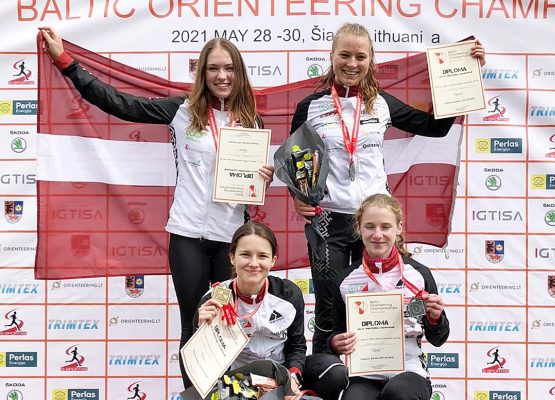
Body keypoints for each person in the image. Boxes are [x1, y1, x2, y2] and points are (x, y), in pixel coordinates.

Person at [39, 27, 275, 389]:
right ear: (202, 73)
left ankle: (230, 395)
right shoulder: (182, 111)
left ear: (239, 73)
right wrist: (67, 63)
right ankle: (194, 396)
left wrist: (261, 180)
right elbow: (119, 103)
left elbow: (250, 185)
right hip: (187, 236)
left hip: (232, 241)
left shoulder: (252, 121)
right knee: (194, 323)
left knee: (231, 323)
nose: (222, 76)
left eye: (229, 68)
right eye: (213, 68)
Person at [289, 22, 484, 353]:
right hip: (328, 221)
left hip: (374, 220)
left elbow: (435, 128)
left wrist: (463, 76)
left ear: (371, 60)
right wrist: (297, 197)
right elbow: (296, 161)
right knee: (329, 305)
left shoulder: (381, 103)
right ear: (332, 55)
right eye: (345, 55)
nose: (352, 64)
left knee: (382, 298)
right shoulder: (310, 106)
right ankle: (326, 370)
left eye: (360, 56)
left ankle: (376, 368)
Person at [323, 193, 449, 399]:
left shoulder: (418, 274)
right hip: (365, 374)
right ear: (359, 229)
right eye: (370, 226)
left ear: (399, 228)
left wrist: (435, 318)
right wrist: (335, 343)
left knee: (398, 393)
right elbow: (334, 333)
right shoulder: (345, 280)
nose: (377, 234)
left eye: (385, 227)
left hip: (410, 371)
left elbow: (439, 338)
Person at [194, 221, 307, 399]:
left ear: (273, 260)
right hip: (236, 379)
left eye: (262, 256)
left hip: (280, 375)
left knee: (332, 374)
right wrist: (201, 331)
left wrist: (292, 379)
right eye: (245, 255)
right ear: (232, 257)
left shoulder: (289, 294)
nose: (254, 263)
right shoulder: (214, 298)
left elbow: (297, 346)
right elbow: (204, 361)